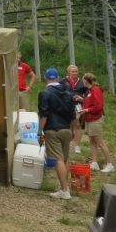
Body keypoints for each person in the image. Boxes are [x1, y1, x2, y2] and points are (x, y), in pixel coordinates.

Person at [38, 68, 75, 200]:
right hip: (67, 129)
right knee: (65, 159)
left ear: (45, 78)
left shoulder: (44, 93)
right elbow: (72, 114)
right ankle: (65, 187)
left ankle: (64, 190)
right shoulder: (68, 92)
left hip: (53, 130)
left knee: (58, 159)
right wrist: (74, 129)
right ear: (58, 78)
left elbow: (44, 115)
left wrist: (39, 132)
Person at [81, 73, 114, 173]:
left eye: (83, 79)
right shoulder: (90, 90)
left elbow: (98, 106)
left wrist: (86, 110)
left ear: (86, 81)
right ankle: (94, 162)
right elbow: (91, 101)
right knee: (92, 141)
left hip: (95, 119)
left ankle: (110, 164)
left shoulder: (95, 90)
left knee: (100, 142)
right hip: (89, 119)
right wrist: (82, 100)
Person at [61, 64, 88, 154]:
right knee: (66, 125)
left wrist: (82, 99)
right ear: (69, 72)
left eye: (76, 71)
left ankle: (77, 146)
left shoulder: (82, 82)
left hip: (78, 106)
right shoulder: (63, 81)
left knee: (77, 124)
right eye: (73, 71)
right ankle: (66, 144)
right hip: (65, 106)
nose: (75, 73)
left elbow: (88, 94)